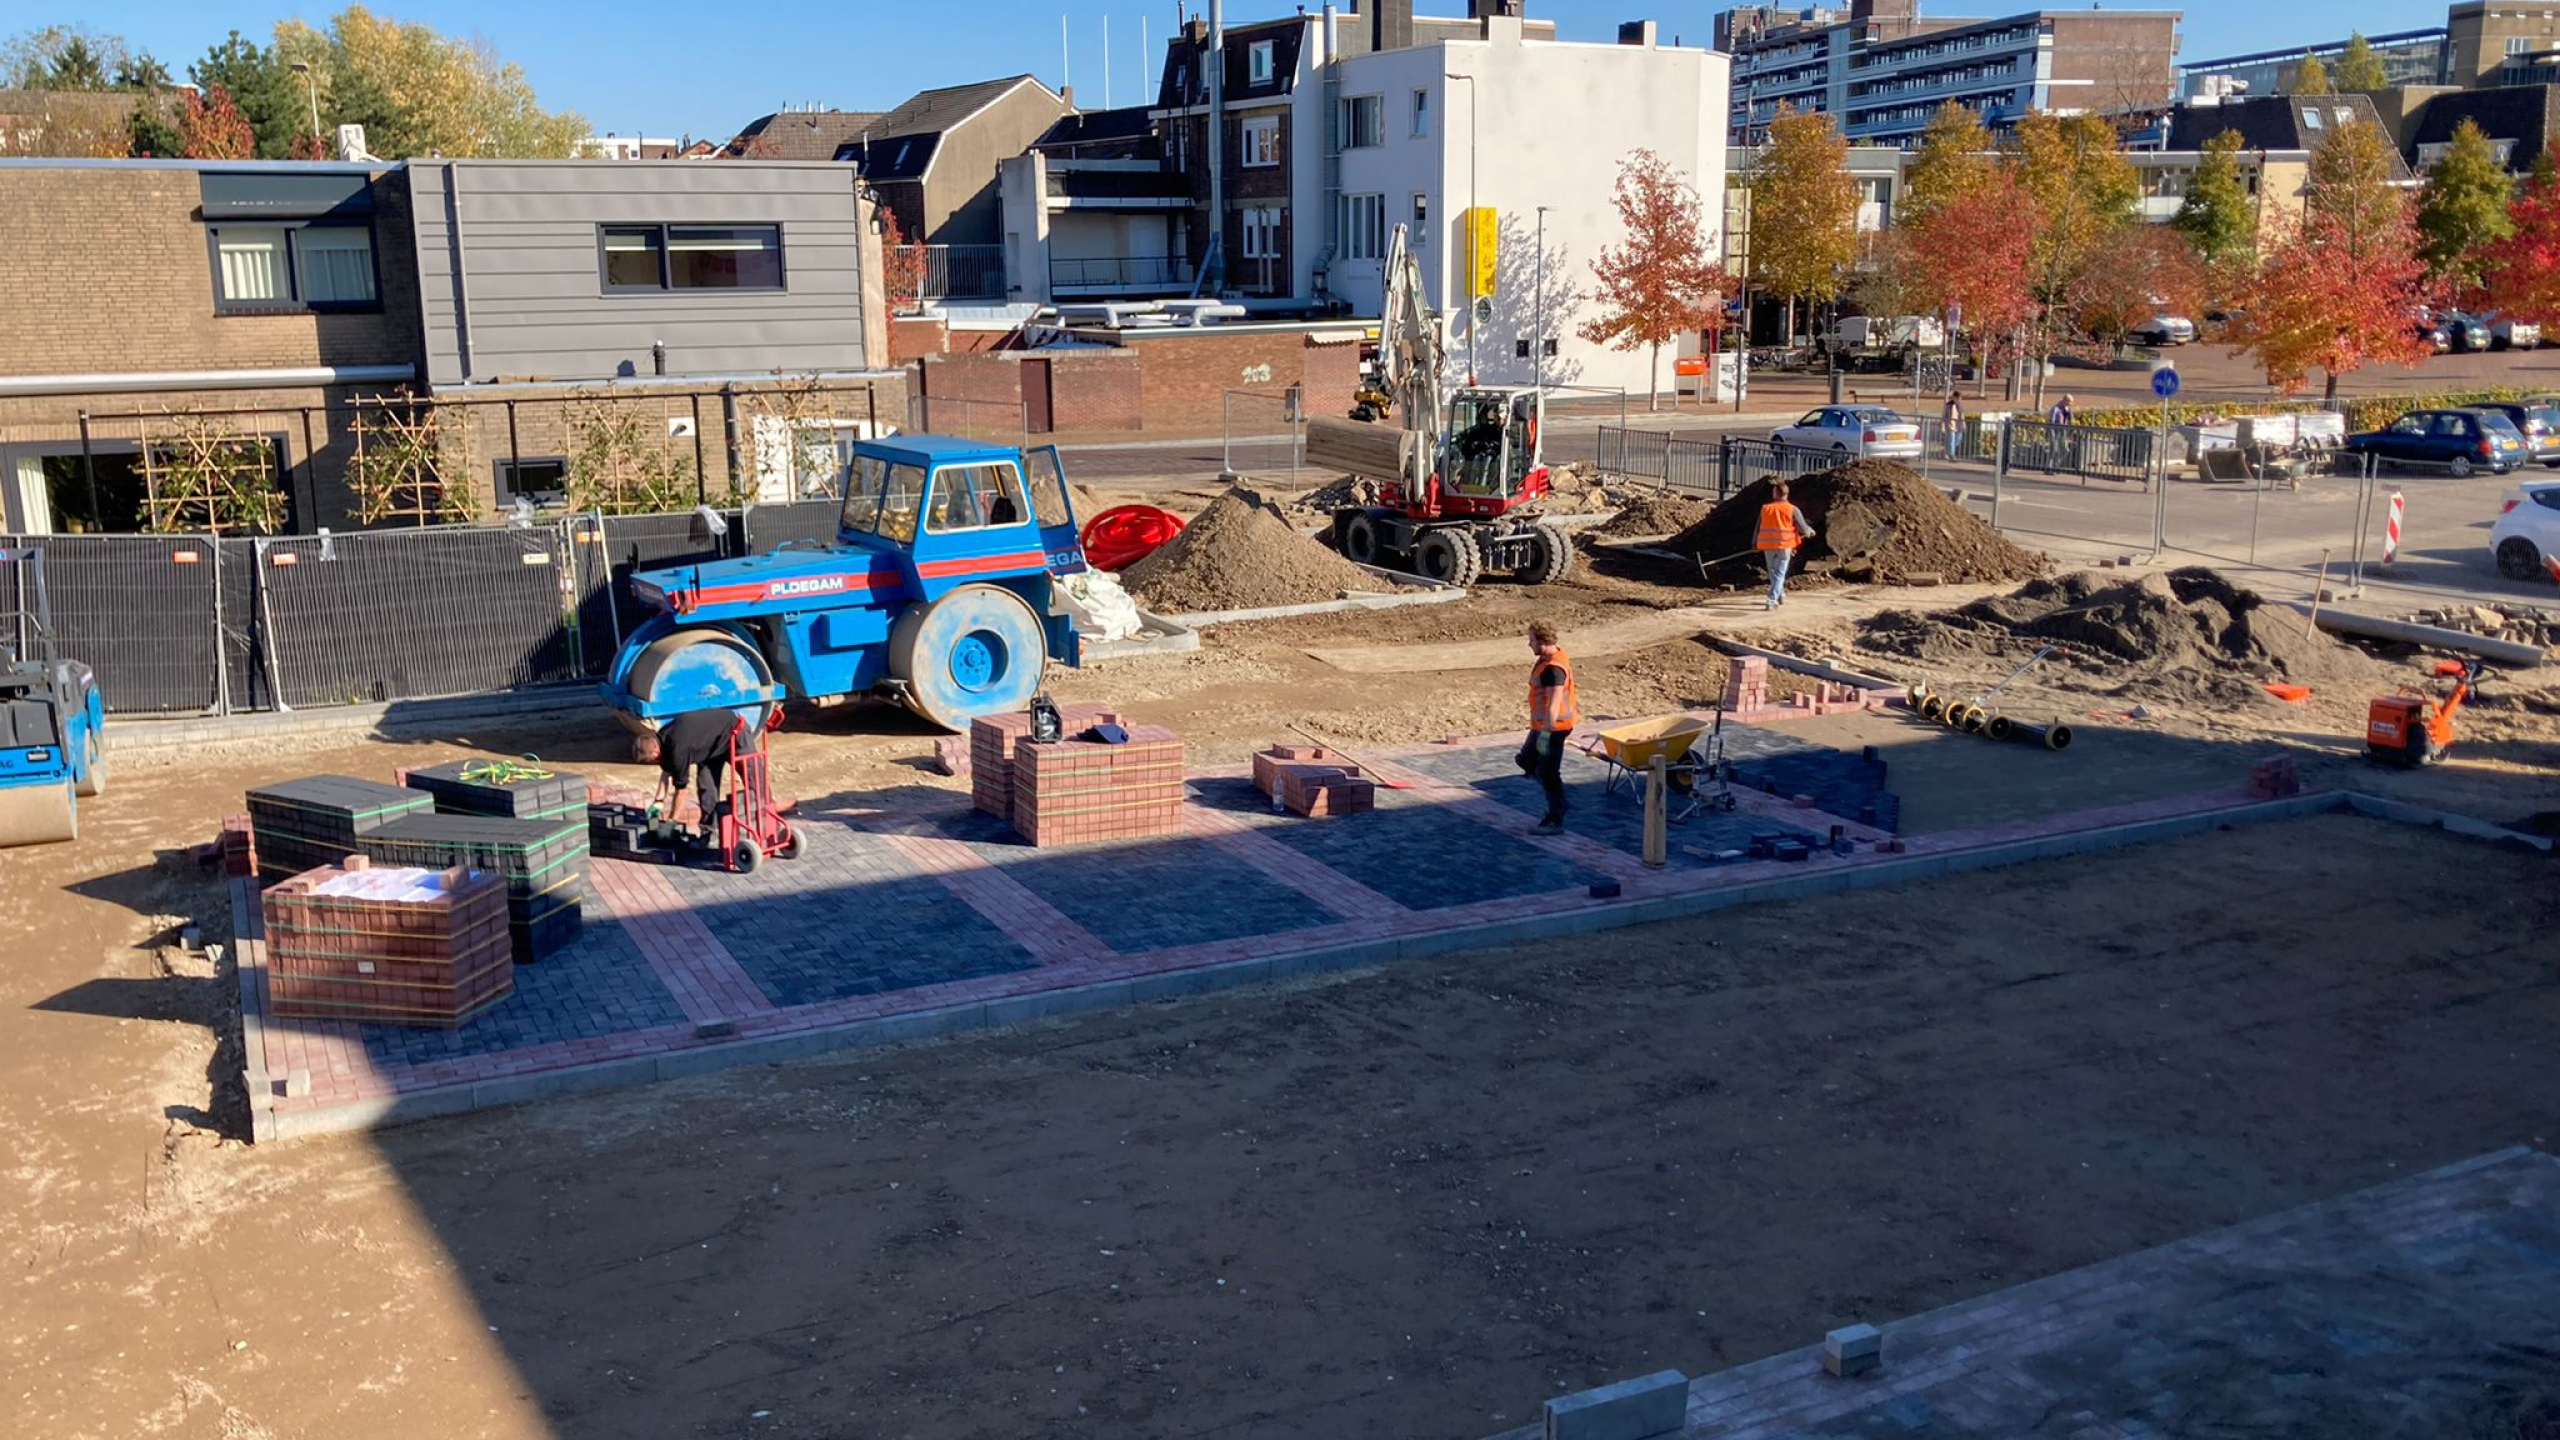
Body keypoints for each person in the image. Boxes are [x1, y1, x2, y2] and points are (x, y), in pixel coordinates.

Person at [1518, 619, 1578, 834]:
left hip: (1554, 727)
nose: (1529, 644)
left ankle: (1555, 818)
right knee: (1525, 759)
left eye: (1531, 640)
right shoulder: (1551, 657)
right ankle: (1558, 801)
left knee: (1548, 771)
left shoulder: (1553, 670)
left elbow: (1553, 704)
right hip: (1543, 725)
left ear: (1542, 641)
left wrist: (1545, 735)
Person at [652, 707, 738, 840]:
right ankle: (708, 835)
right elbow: (666, 773)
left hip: (732, 729)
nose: (657, 762)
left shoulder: (677, 749)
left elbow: (681, 791)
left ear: (656, 750)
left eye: (655, 759)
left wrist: (671, 822)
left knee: (753, 777)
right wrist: (656, 806)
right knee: (706, 789)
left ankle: (766, 825)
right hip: (709, 749)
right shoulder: (663, 739)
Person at [1754, 479, 1818, 611]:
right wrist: (1809, 531)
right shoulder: (1792, 509)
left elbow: (1758, 528)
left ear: (1775, 494)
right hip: (1784, 545)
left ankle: (1780, 594)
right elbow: (1803, 528)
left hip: (1767, 545)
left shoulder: (1765, 509)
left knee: (1773, 572)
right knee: (1779, 572)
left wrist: (1754, 542)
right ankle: (1771, 599)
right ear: (1786, 494)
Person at [1942, 391, 1964, 460]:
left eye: (1959, 398)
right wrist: (1943, 424)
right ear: (1954, 397)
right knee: (1951, 440)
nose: (1959, 399)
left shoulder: (1960, 406)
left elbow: (1962, 415)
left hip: (1958, 426)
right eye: (1957, 398)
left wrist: (1963, 424)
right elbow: (1944, 415)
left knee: (1957, 440)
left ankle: (1947, 451)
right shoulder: (1948, 405)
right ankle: (1952, 455)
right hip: (1950, 425)